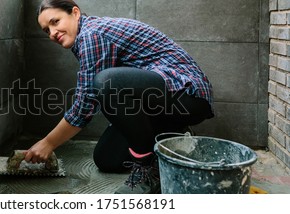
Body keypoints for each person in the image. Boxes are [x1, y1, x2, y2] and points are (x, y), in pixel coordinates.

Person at [24, 0, 214, 193]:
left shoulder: (92, 34)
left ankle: (148, 169)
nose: (52, 33)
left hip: (187, 94)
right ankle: (174, 134)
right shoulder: (86, 37)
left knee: (106, 83)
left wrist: (48, 143)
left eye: (55, 22)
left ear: (75, 13)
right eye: (46, 30)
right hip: (158, 102)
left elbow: (86, 103)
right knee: (107, 158)